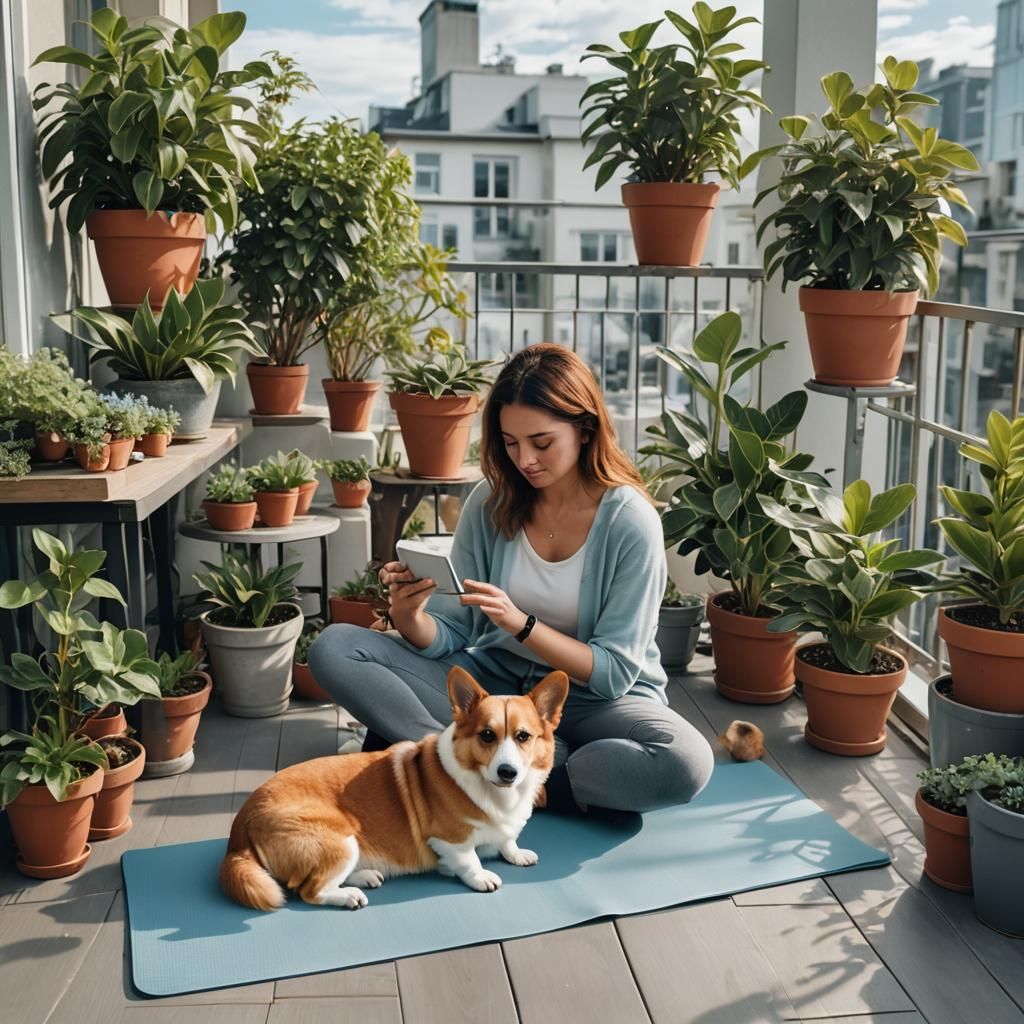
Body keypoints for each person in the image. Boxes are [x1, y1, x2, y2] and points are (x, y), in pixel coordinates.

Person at [308, 343, 715, 815]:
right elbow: (454, 633)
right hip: (494, 687)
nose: (525, 459)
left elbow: (614, 672)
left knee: (684, 761)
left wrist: (522, 625)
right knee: (335, 647)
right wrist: (409, 616)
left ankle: (512, 772)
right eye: (510, 442)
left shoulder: (630, 521)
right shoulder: (491, 502)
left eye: (541, 442)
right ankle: (503, 766)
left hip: (593, 701)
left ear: (585, 429)